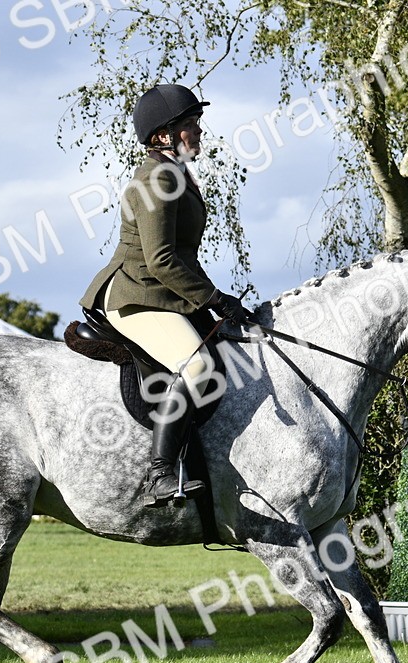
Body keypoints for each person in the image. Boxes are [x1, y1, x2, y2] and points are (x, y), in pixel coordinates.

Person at [79, 84, 249, 508]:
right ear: (162, 136)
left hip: (162, 293)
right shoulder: (158, 178)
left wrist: (219, 298)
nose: (199, 131)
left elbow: (184, 257)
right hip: (136, 295)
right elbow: (160, 260)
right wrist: (212, 298)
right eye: (190, 124)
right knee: (197, 368)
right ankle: (160, 474)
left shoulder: (175, 173)